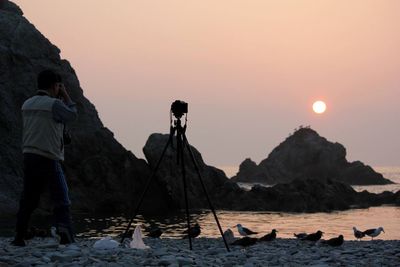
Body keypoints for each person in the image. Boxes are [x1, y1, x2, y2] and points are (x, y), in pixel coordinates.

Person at [12, 69, 78, 246]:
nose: (59, 89)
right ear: (54, 85)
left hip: (29, 155)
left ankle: (19, 237)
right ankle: (66, 236)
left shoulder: (27, 104)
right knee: (61, 198)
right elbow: (72, 114)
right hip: (48, 156)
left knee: (29, 198)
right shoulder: (53, 105)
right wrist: (66, 95)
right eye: (58, 86)